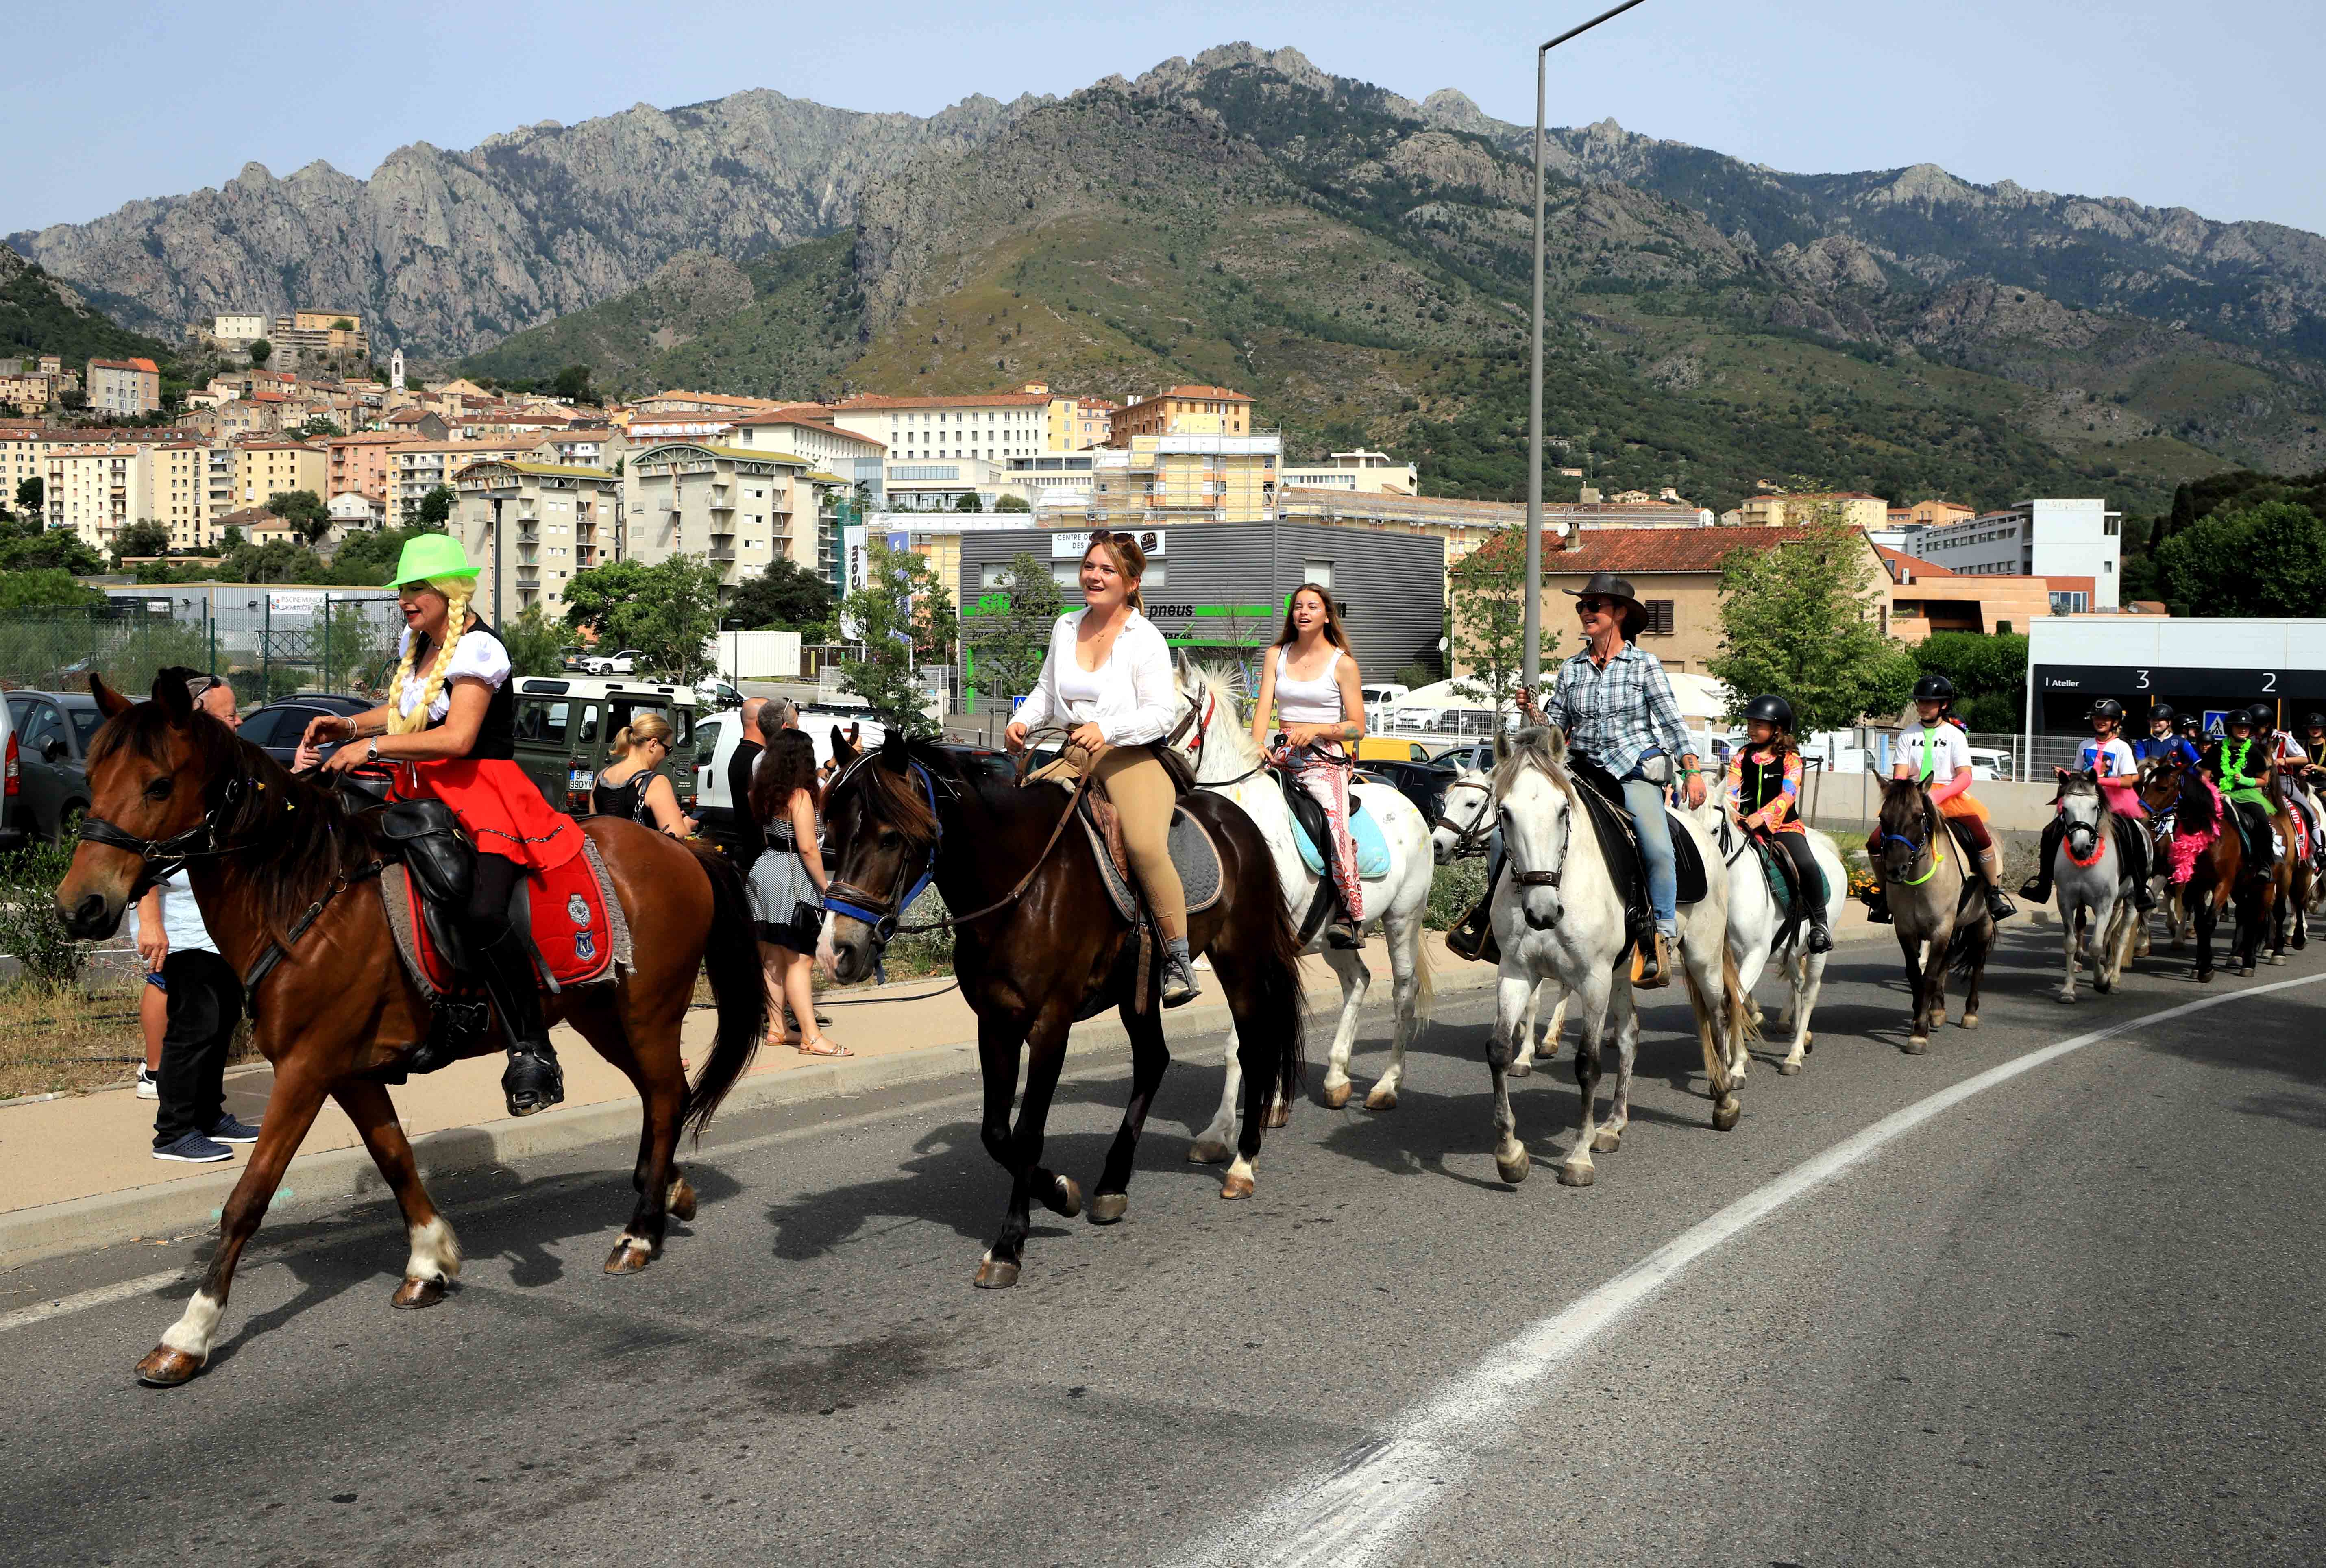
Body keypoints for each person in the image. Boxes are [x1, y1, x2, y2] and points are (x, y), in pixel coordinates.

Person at [305, 534, 584, 1117]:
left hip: (484, 796)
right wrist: (350, 728)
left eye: (417, 590)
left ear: (449, 592)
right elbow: (410, 710)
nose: (405, 601)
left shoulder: (477, 648)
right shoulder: (422, 646)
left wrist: (375, 745)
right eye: (402, 591)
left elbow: (457, 737)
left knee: (484, 910)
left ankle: (531, 1045)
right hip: (422, 794)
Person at [1004, 529, 1200, 1006]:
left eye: (1106, 569)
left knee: (1143, 845)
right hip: (1071, 753)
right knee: (1015, 818)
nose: (1094, 576)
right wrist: (1022, 720)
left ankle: (1177, 959)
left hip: (1130, 757)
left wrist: (1106, 729)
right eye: (1090, 566)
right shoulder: (1065, 626)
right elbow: (1047, 692)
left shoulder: (1145, 637)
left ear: (1132, 582)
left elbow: (1160, 714)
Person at [1537, 571, 1703, 987]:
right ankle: (1492, 922)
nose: (1585, 612)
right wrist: (1532, 714)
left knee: (1657, 845)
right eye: (1581, 606)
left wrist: (1692, 770)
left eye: (1593, 606)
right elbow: (1554, 730)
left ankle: (1660, 935)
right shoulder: (1570, 669)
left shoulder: (1644, 664)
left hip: (1632, 767)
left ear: (1619, 614)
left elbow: (1670, 723)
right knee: (1520, 827)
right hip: (1582, 771)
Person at [136, 673, 261, 1161]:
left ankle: (209, 1114)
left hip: (221, 926)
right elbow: (141, 855)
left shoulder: (219, 770)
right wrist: (151, 923)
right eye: (229, 714)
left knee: (221, 1017)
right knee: (196, 1023)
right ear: (198, 721)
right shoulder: (170, 779)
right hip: (183, 923)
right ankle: (173, 1132)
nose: (239, 720)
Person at [1251, 582, 1368, 948]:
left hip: (1325, 760)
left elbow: (1358, 728)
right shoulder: (1276, 655)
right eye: (1298, 606)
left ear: (1327, 615)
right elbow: (1263, 708)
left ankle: (1351, 915)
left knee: (1334, 828)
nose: (1303, 612)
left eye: (1312, 607)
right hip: (1282, 754)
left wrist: (1315, 729)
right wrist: (1256, 745)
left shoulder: (1342, 663)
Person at [1871, 675, 2015, 924]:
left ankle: (1993, 894)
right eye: (1920, 702)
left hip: (1949, 797)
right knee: (1875, 841)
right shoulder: (1907, 735)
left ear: (1944, 705)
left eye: (1929, 702)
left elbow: (1965, 777)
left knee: (1981, 836)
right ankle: (1885, 896)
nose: (1922, 706)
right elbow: (1900, 775)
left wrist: (1937, 795)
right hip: (1913, 799)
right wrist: (1907, 795)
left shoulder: (1955, 735)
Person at [747, 728, 845, 1056]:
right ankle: (811, 1037)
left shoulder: (762, 792)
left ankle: (777, 1028)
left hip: (763, 870)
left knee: (772, 957)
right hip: (792, 876)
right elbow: (807, 848)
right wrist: (825, 886)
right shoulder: (801, 796)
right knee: (800, 960)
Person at [1723, 695, 1832, 954]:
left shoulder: (1791, 759)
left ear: (1778, 729)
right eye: (1750, 724)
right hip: (1743, 826)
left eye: (1758, 725)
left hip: (1783, 828)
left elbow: (1788, 794)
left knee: (1805, 863)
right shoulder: (1741, 756)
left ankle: (1820, 923)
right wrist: (1733, 812)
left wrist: (1764, 816)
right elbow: (1731, 790)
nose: (1751, 729)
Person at [2023, 698, 2154, 909]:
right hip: (2086, 800)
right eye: (2097, 718)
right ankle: (2044, 883)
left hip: (2114, 802)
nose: (2100, 721)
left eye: (2106, 718)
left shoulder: (2122, 748)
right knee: (2050, 832)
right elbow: (2079, 775)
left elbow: (2129, 781)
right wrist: (2067, 775)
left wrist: (2098, 781)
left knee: (2134, 835)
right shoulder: (2085, 745)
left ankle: (2140, 889)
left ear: (2115, 722)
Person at [2203, 705, 2280, 873]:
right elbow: (2204, 778)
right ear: (2230, 728)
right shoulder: (2216, 750)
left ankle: (2265, 864)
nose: (2244, 730)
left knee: (2262, 821)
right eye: (2239, 726)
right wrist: (2214, 791)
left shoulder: (2253, 752)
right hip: (2220, 795)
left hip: (2247, 795)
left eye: (2247, 727)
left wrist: (2247, 781)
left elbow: (2264, 781)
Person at [592, 710, 691, 837]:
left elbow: (594, 826)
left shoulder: (601, 777)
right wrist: (687, 825)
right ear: (654, 744)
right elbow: (677, 837)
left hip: (603, 855)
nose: (666, 756)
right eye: (668, 750)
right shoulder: (656, 783)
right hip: (638, 856)